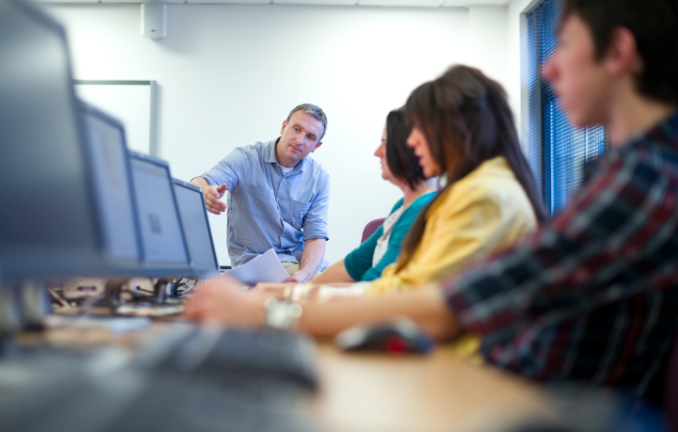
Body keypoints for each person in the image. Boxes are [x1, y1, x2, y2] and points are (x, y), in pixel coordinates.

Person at [187, 0, 678, 403]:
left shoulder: (641, 179)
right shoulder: (627, 172)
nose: (548, 67)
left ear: (618, 51)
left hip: (515, 394)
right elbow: (401, 286)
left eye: (565, 43)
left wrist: (272, 310)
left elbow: (441, 309)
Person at [187, 64, 547, 359]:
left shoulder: (482, 195)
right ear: (283, 127)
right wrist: (290, 297)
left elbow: (409, 304)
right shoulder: (477, 189)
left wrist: (271, 310)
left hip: (456, 366)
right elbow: (390, 287)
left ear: (454, 128)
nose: (413, 142)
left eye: (418, 130)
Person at [191, 104, 330, 283]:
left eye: (310, 137)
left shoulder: (319, 178)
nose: (299, 140)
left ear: (316, 146)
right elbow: (201, 181)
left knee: (346, 286)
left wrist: (305, 273)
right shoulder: (246, 159)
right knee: (328, 294)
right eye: (296, 129)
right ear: (283, 127)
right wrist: (205, 191)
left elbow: (316, 236)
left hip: (298, 263)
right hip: (255, 264)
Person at [312, 109, 436, 285]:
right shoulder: (404, 204)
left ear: (410, 148)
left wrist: (295, 298)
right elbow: (354, 264)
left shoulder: (421, 209)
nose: (377, 152)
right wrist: (296, 294)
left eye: (385, 143)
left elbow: (373, 285)